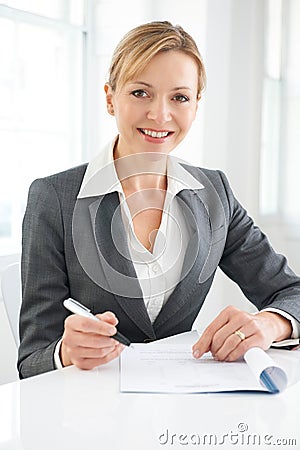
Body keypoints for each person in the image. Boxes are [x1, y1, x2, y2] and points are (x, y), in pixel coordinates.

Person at [18, 21, 300, 379]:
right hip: (90, 417)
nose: (160, 115)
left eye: (179, 97)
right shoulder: (54, 198)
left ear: (196, 105)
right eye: (140, 93)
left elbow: (292, 291)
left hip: (183, 409)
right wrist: (66, 352)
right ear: (110, 97)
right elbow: (32, 359)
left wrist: (270, 324)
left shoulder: (214, 194)